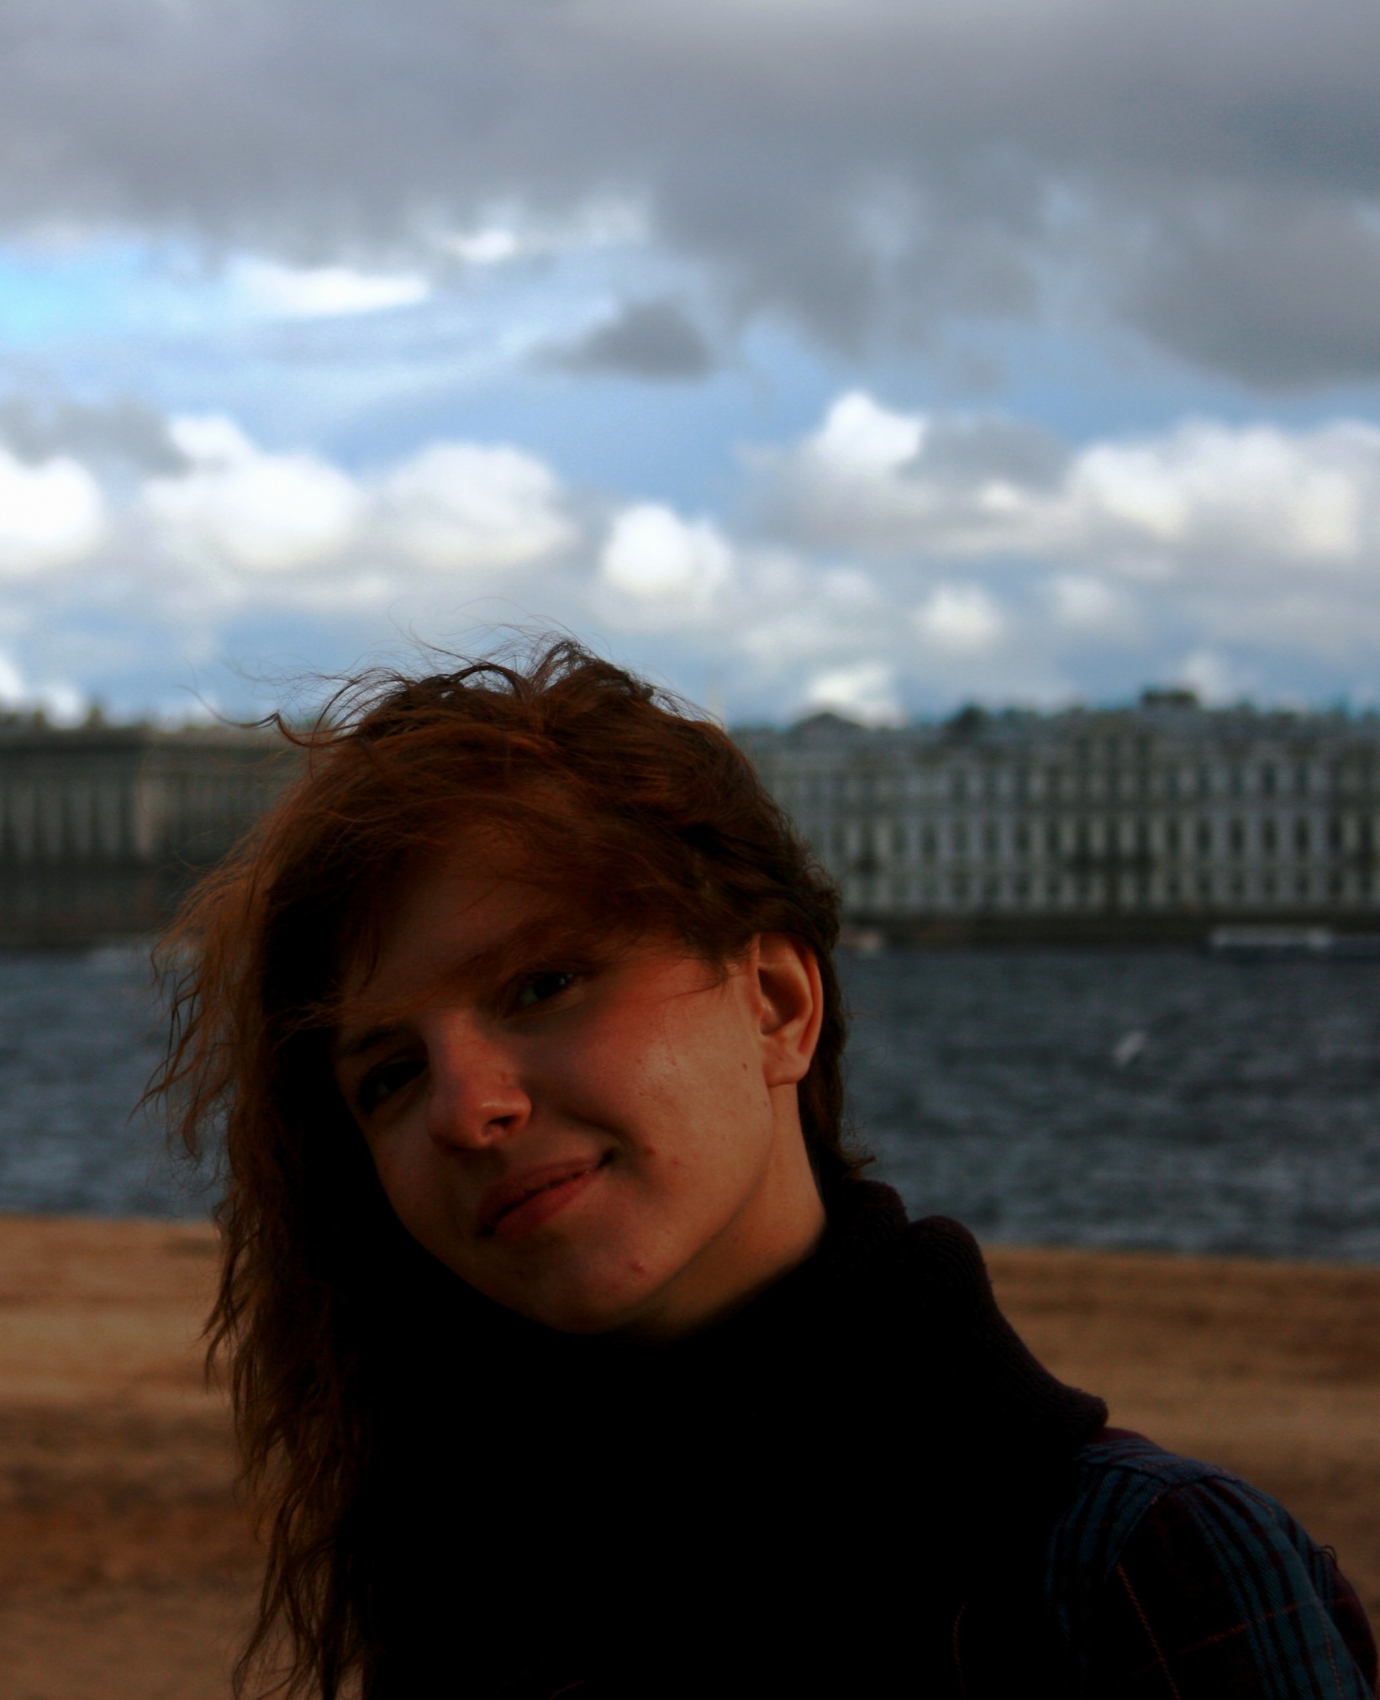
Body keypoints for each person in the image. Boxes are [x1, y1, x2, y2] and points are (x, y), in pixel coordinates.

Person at [151, 640, 1376, 1699]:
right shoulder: (457, 1591)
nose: (469, 1110)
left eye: (543, 984)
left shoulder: (1148, 1575)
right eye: (388, 1075)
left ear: (778, 1003)